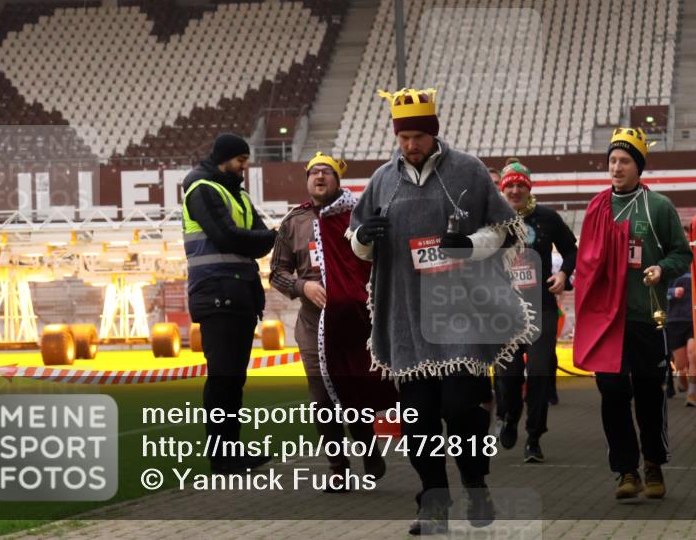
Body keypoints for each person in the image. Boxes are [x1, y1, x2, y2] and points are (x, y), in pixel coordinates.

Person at [350, 88, 533, 535]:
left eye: (417, 136)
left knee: (462, 409)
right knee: (417, 422)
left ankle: (476, 486)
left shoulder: (467, 170)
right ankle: (433, 501)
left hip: (461, 312)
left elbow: (508, 231)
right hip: (406, 317)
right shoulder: (381, 180)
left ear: (433, 133)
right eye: (403, 137)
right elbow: (359, 244)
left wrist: (470, 246)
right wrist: (364, 236)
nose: (410, 145)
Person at [573, 128, 692, 501]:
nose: (617, 167)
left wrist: (662, 269)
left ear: (638, 167)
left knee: (648, 395)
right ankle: (626, 470)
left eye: (624, 161)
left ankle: (653, 463)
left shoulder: (659, 207)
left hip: (646, 317)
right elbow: (587, 261)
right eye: (612, 161)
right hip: (606, 321)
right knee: (612, 393)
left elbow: (682, 253)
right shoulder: (597, 207)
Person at [269, 152, 397, 490]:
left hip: (355, 321)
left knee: (354, 391)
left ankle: (369, 452)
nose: (319, 177)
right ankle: (338, 469)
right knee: (322, 398)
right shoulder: (293, 221)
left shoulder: (357, 215)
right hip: (313, 325)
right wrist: (303, 285)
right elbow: (277, 273)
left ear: (337, 181)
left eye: (326, 172)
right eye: (314, 173)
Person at [182, 133, 277, 474]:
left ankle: (232, 452)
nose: (244, 167)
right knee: (224, 378)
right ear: (225, 158)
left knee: (233, 379)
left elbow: (259, 239)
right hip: (217, 293)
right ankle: (222, 458)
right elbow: (230, 237)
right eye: (241, 160)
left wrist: (262, 239)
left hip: (237, 294)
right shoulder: (201, 188)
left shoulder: (234, 192)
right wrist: (266, 238)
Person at [493, 160, 577, 463]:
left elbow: (571, 249)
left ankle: (534, 437)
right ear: (503, 189)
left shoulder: (548, 218)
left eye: (521, 185)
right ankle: (510, 416)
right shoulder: (492, 219)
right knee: (508, 376)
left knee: (541, 373)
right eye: (510, 185)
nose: (515, 190)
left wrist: (564, 274)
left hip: (541, 307)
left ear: (529, 188)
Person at [666, 271, 696, 407]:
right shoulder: (668, 266)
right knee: (681, 363)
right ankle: (681, 374)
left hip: (694, 319)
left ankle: (691, 395)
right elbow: (656, 292)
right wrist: (672, 292)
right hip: (674, 320)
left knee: (693, 356)